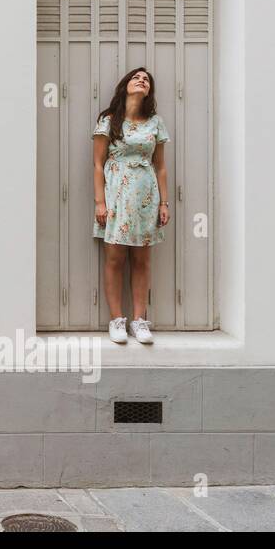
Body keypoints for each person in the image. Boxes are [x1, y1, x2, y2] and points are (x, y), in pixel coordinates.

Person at [92, 68, 170, 345]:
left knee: (142, 260)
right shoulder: (109, 120)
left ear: (149, 90)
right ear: (126, 85)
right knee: (115, 259)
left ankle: (139, 320)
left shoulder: (155, 123)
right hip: (115, 196)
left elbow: (160, 166)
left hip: (145, 197)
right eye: (137, 77)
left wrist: (164, 202)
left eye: (147, 79)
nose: (142, 80)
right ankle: (116, 319)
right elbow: (98, 164)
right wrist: (100, 201)